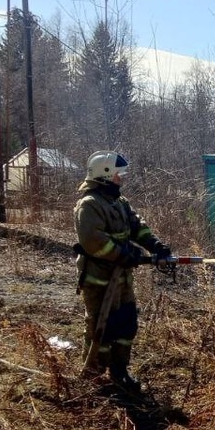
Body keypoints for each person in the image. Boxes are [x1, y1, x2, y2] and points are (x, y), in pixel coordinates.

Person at [73, 150, 172, 391]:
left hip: (123, 279)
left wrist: (155, 246)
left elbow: (138, 226)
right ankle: (95, 379)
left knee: (126, 324)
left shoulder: (119, 202)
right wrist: (124, 255)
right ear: (105, 175)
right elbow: (94, 241)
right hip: (99, 281)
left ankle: (119, 372)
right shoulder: (90, 205)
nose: (121, 179)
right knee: (101, 329)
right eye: (118, 175)